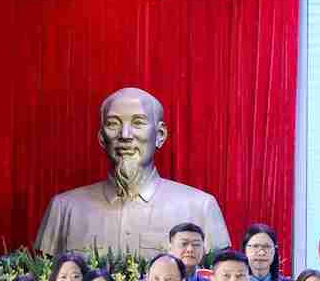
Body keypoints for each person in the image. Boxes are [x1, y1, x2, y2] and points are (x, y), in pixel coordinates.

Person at [34, 86, 229, 258]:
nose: (125, 135)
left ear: (160, 136)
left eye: (138, 122)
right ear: (102, 138)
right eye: (113, 124)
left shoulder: (200, 208)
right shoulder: (64, 209)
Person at [131, 222, 216, 281]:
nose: (190, 249)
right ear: (170, 248)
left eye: (196, 244)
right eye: (184, 243)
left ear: (203, 250)